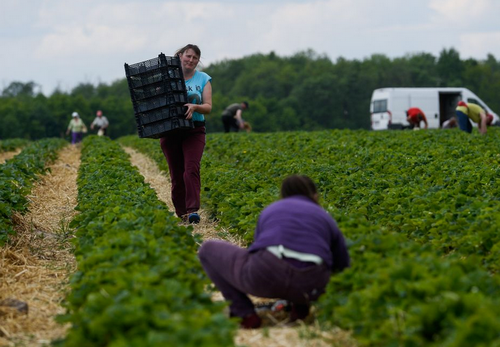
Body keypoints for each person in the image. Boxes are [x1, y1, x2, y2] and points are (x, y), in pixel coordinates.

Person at [198, 175, 350, 329]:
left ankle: (245, 314)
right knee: (306, 260)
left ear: (283, 195)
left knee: (207, 250)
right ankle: (300, 310)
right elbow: (342, 263)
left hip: (266, 276)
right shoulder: (324, 217)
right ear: (315, 196)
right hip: (310, 286)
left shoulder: (272, 210)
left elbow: (256, 251)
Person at [159, 44, 212, 224]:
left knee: (191, 169)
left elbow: (208, 107)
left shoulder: (203, 78)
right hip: (171, 131)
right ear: (180, 56)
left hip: (194, 129)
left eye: (195, 58)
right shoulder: (168, 77)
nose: (191, 60)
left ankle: (192, 211)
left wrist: (195, 106)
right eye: (188, 56)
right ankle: (182, 214)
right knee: (176, 174)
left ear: (198, 61)